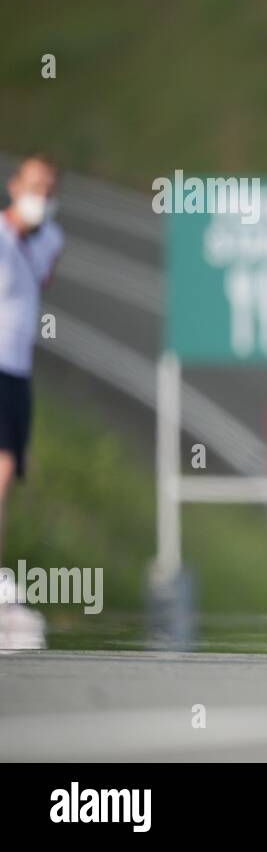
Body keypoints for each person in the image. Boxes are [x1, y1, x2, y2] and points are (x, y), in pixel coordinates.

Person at [0, 153, 64, 650]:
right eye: (32, 185)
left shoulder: (47, 243)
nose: (38, 196)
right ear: (13, 185)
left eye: (47, 188)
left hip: (18, 374)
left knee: (7, 476)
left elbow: (41, 280)